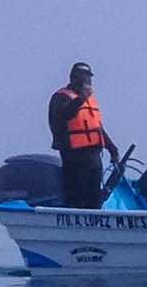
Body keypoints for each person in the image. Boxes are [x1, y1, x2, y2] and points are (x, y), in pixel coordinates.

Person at [47, 61, 119, 209]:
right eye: (84, 77)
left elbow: (97, 128)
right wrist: (80, 99)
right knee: (77, 196)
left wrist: (112, 148)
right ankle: (73, 223)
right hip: (74, 156)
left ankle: (93, 223)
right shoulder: (61, 97)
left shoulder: (89, 100)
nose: (87, 81)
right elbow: (63, 116)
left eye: (88, 77)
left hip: (93, 155)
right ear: (74, 77)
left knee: (94, 197)